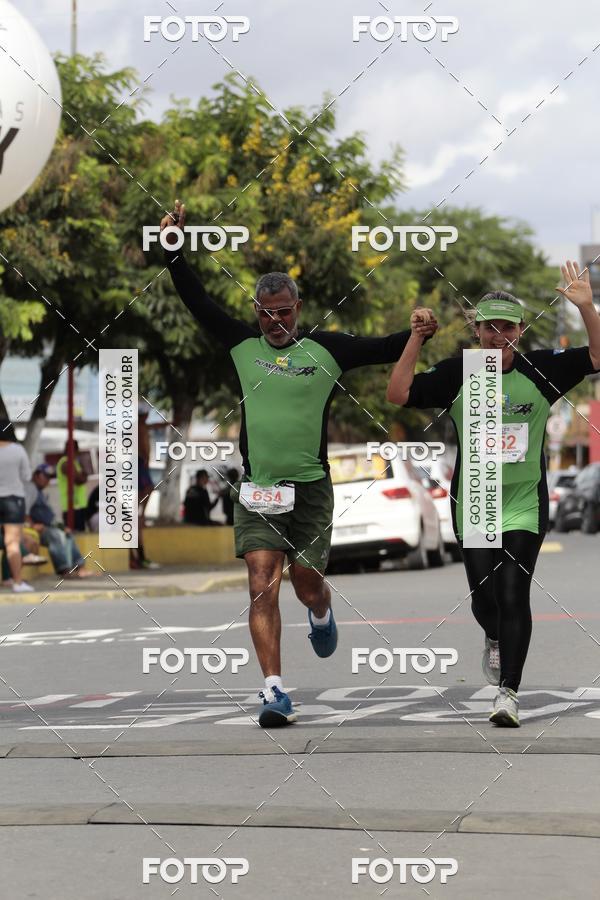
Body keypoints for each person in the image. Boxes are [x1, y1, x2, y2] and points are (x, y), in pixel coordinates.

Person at [161, 199, 438, 727]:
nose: (276, 321)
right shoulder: (242, 346)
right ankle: (273, 692)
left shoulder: (328, 350)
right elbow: (197, 301)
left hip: (311, 488)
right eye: (266, 313)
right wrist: (174, 245)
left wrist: (422, 329)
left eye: (284, 312)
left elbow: (386, 345)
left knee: (305, 579)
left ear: (299, 307)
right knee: (261, 583)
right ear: (256, 313)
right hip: (259, 488)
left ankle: (320, 610)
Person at [386, 261, 600, 727]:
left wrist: (586, 308)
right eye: (489, 327)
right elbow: (399, 393)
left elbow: (598, 359)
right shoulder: (459, 372)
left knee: (513, 591)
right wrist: (416, 340)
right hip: (476, 501)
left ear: (520, 331)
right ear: (476, 331)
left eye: (507, 327)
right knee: (485, 601)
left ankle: (509, 693)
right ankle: (496, 639)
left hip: (524, 501)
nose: (497, 336)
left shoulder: (542, 370)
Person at [24, 464, 94, 578]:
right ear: (36, 475)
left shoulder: (40, 491)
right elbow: (24, 512)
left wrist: (62, 527)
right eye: (45, 476)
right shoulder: (30, 488)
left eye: (49, 478)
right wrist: (32, 526)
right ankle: (64, 570)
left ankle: (79, 567)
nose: (48, 480)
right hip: (36, 529)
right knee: (56, 535)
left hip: (48, 526)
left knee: (67, 534)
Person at [0, 418, 34, 592]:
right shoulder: (18, 450)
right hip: (13, 499)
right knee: (12, 542)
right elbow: (27, 476)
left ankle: (8, 579)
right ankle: (17, 582)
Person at [130, 400, 160, 569]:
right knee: (149, 489)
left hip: (140, 463)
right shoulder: (138, 426)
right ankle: (140, 512)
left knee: (148, 490)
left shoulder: (141, 426)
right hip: (139, 462)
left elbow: (155, 426)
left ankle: (140, 512)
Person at [56, 440, 88, 532]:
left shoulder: (74, 463)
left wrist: (82, 475)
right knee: (75, 536)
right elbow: (79, 480)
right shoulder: (65, 463)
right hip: (71, 506)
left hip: (79, 505)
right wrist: (83, 475)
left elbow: (82, 477)